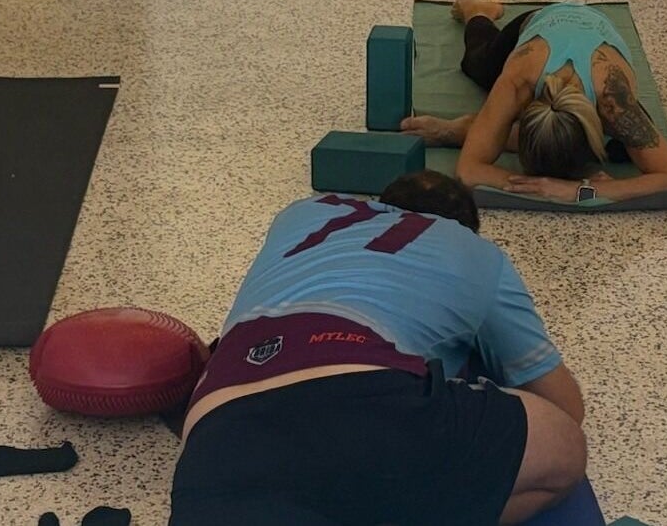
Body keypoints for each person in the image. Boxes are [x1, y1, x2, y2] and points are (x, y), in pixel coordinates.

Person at [170, 171, 588, 526]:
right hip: (367, 399)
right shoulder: (475, 251)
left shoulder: (300, 211)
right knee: (564, 448)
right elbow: (564, 403)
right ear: (464, 226)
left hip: (215, 431)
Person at [401, 0, 667, 204]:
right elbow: (468, 171)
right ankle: (478, 11)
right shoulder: (519, 80)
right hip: (537, 29)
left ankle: (469, 129)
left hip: (591, 34)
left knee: (621, 151)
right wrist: (540, 186)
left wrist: (576, 190)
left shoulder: (614, 99)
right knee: (477, 64)